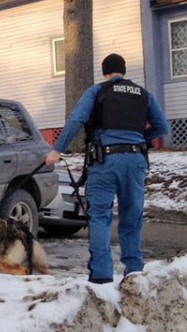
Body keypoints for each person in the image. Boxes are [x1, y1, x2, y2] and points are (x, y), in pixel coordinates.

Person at [45, 53, 169, 284]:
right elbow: (162, 126)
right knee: (131, 215)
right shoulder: (143, 94)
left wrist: (57, 149)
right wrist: (141, 139)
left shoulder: (97, 91)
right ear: (123, 71)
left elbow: (76, 120)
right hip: (135, 160)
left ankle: (102, 276)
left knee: (100, 216)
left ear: (105, 72)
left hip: (105, 160)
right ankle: (134, 272)